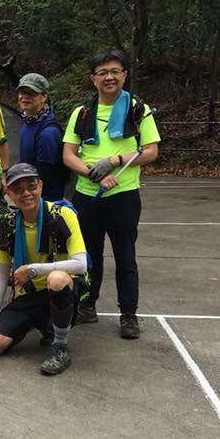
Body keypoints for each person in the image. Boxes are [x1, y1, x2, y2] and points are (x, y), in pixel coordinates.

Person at [62, 50, 161, 339]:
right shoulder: (82, 112)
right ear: (93, 79)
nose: (109, 77)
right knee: (89, 255)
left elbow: (152, 151)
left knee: (125, 255)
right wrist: (93, 172)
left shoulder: (137, 110)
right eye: (103, 72)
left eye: (115, 71)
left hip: (124, 195)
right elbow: (68, 154)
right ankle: (87, 305)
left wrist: (116, 161)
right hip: (87, 194)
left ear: (124, 75)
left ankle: (128, 314)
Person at [0, 164, 88, 375]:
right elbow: (1, 272)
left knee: (56, 279)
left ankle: (60, 346)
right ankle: (36, 323)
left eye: (31, 186)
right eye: (17, 189)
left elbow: (81, 264)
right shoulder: (7, 224)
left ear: (41, 185)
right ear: (8, 193)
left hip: (63, 289)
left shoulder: (62, 214)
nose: (26, 193)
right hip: (28, 295)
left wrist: (32, 270)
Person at [16, 73, 67, 201]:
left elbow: (43, 178)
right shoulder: (30, 121)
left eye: (31, 93)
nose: (24, 97)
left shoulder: (47, 134)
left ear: (44, 96)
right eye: (22, 92)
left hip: (42, 202)